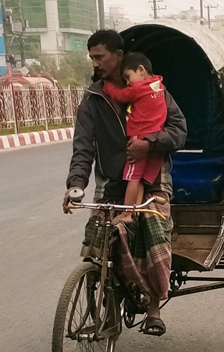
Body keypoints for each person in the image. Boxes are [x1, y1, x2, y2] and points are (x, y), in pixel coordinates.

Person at [63, 30, 187, 336]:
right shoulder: (94, 98)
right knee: (97, 241)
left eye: (100, 57)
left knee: (150, 231)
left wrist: (150, 144)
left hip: (153, 180)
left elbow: (179, 130)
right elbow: (82, 147)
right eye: (91, 57)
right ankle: (107, 311)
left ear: (118, 56)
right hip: (111, 183)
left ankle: (154, 307)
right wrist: (75, 184)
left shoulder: (155, 91)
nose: (95, 63)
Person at [102, 52, 167, 222]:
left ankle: (127, 213)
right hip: (156, 138)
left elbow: (120, 96)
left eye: (128, 77)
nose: (128, 83)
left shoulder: (139, 88)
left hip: (139, 136)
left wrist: (107, 86)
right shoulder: (159, 86)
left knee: (132, 177)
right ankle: (135, 210)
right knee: (140, 180)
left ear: (140, 70)